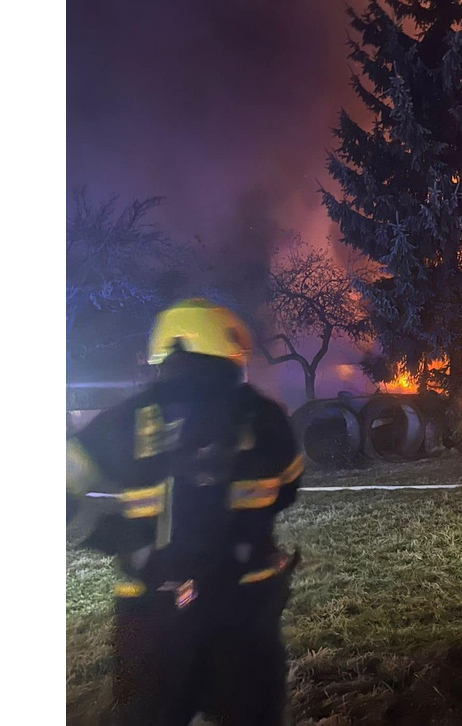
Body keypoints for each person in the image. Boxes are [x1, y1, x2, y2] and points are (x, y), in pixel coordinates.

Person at [66, 298, 303, 726]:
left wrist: (110, 536)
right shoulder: (267, 418)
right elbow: (290, 488)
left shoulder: (125, 420)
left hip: (152, 612)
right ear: (231, 351)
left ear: (166, 350)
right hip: (245, 610)